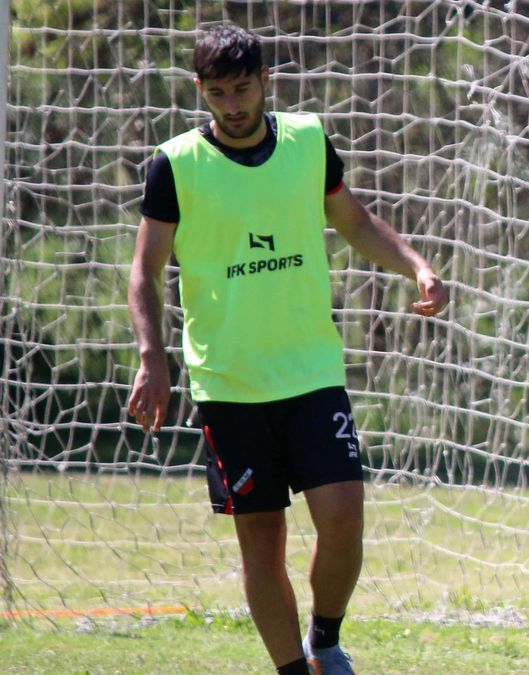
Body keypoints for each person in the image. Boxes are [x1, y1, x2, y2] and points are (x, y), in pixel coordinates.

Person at [126, 24, 448, 675]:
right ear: (201, 91)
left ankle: (325, 639)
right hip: (230, 383)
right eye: (217, 92)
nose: (233, 104)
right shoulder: (175, 164)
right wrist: (151, 356)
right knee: (262, 543)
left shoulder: (306, 141)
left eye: (242, 88)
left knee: (343, 517)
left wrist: (415, 265)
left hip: (310, 372)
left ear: (265, 80)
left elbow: (353, 220)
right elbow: (145, 270)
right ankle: (293, 670)